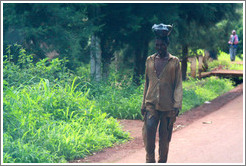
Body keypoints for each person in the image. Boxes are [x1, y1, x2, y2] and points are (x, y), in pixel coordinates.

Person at [141, 23, 183, 163]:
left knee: (164, 139)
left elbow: (178, 85)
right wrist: (143, 105)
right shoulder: (150, 60)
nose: (159, 48)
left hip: (168, 107)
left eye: (162, 45)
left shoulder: (174, 62)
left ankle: (162, 162)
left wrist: (176, 106)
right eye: (157, 45)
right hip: (151, 105)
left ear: (167, 45)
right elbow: (147, 83)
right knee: (149, 135)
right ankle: (150, 161)